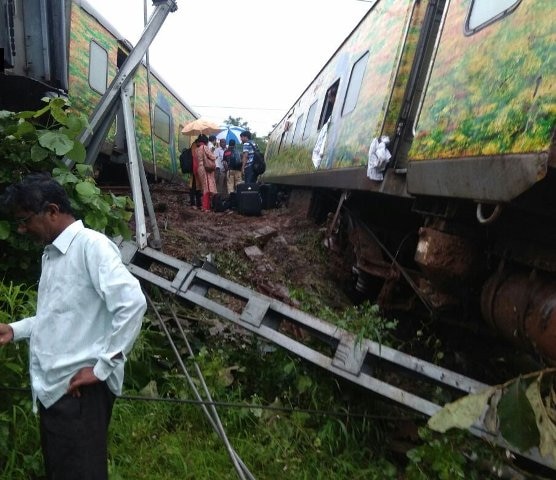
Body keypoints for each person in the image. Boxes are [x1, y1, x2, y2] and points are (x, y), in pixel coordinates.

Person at [0, 173, 147, 480]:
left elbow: (132, 303)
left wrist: (102, 367)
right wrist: (15, 329)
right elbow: (60, 315)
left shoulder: (90, 246)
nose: (22, 228)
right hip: (56, 391)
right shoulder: (52, 254)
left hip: (80, 392)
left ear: (52, 211)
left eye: (25, 220)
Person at [195, 134, 217, 211]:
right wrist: (213, 152)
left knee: (203, 187)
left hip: (200, 168)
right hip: (206, 168)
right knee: (207, 188)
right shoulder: (204, 147)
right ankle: (206, 207)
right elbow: (213, 156)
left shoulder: (196, 149)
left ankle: (204, 206)